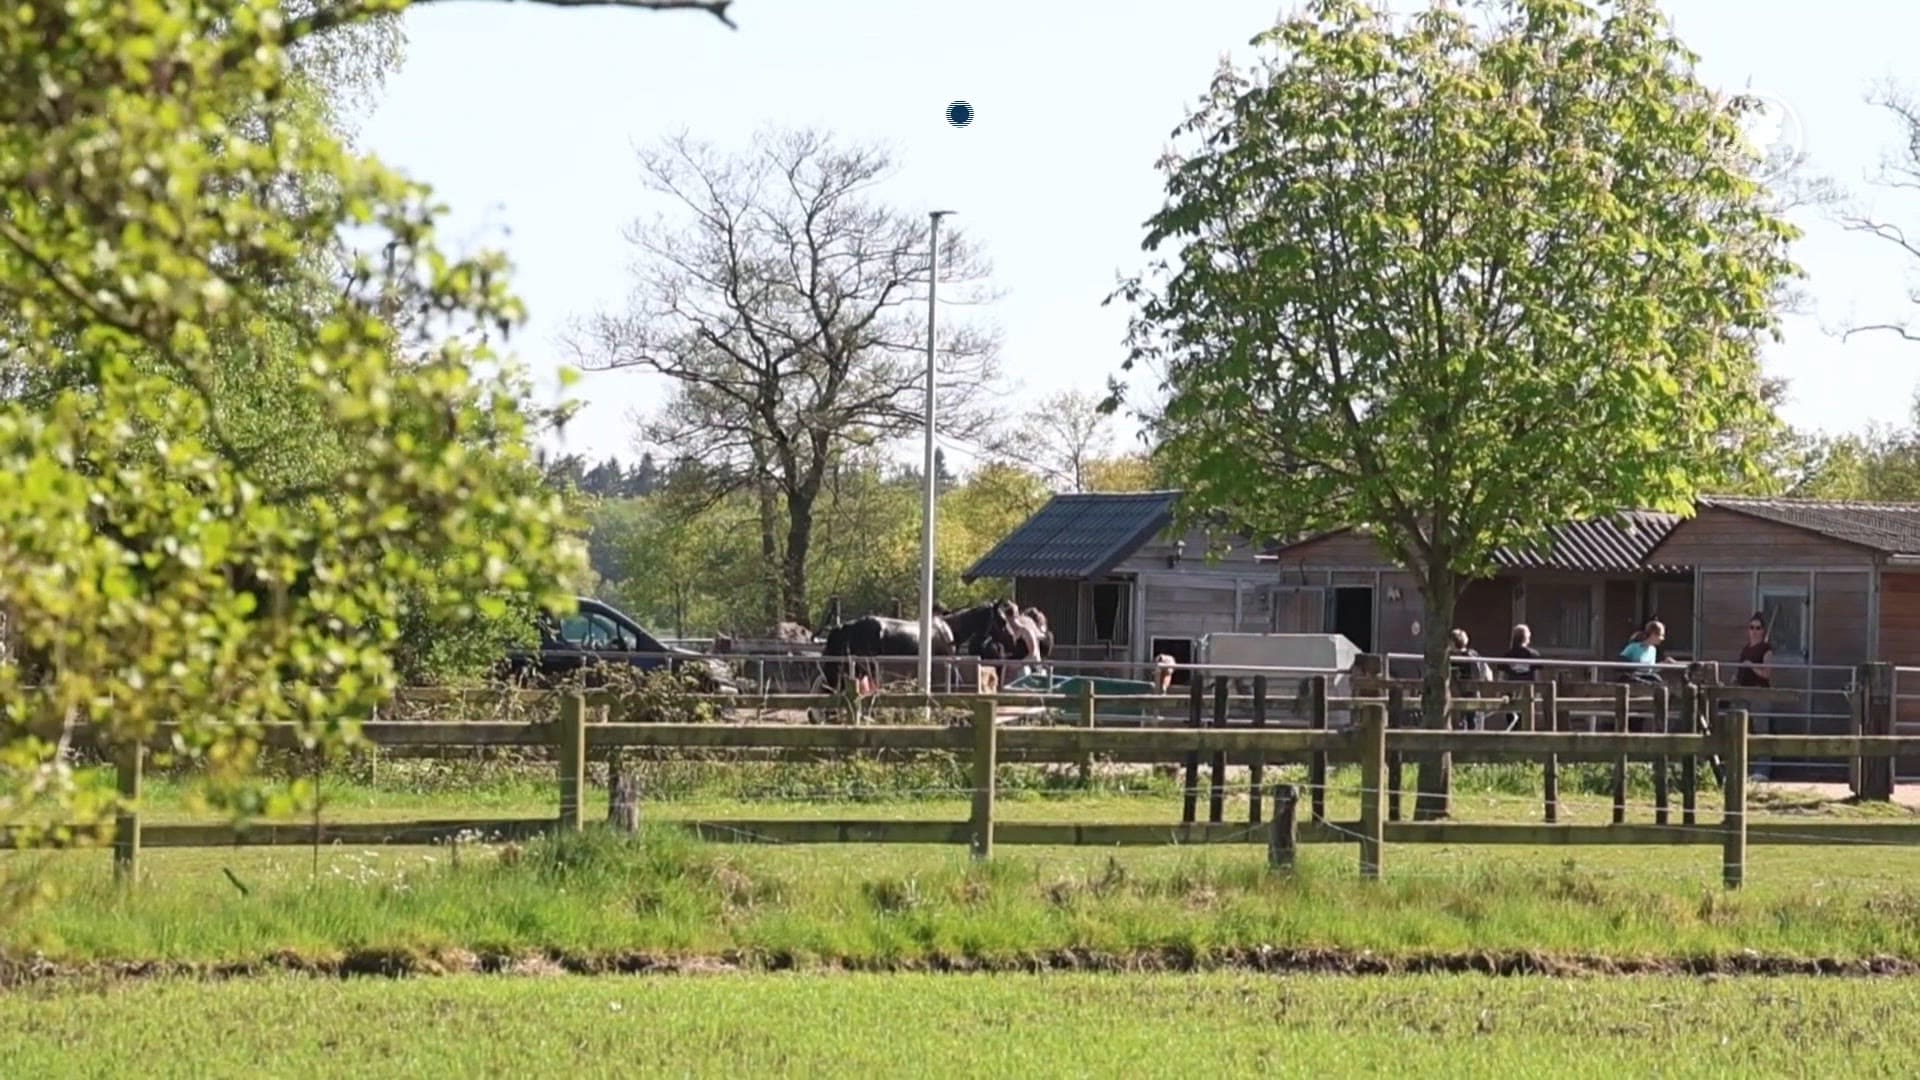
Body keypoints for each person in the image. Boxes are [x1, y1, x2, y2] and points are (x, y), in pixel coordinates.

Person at [1448, 628, 1492, 730]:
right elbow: (1486, 673)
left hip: (1459, 693)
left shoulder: (1451, 657)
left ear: (1452, 642)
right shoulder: (1474, 654)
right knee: (1472, 720)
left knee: (1462, 720)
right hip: (1473, 692)